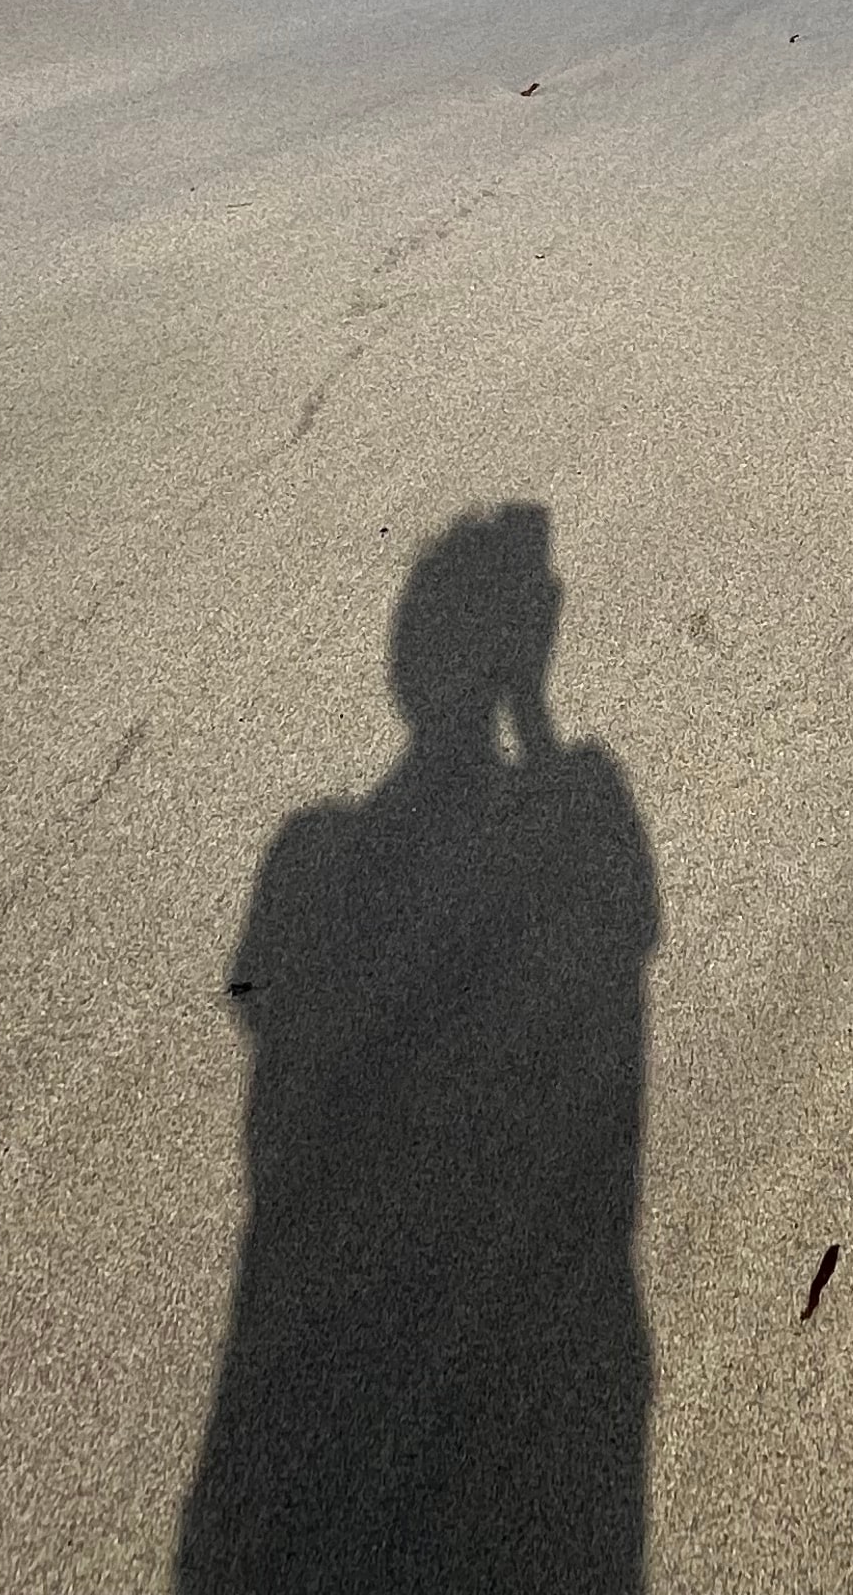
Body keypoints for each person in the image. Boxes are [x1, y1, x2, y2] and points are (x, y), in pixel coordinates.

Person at [176, 503, 659, 1594]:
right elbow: (625, 914)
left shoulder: (309, 857)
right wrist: (534, 714)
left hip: (304, 1364)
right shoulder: (575, 805)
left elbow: (261, 1010)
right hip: (557, 1347)